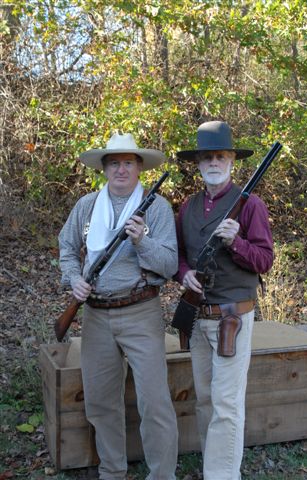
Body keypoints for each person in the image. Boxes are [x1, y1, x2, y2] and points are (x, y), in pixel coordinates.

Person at [58, 132, 178, 480]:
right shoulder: (85, 206)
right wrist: (72, 278)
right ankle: (112, 472)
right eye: (114, 163)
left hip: (140, 311)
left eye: (128, 162)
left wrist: (142, 241)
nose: (121, 169)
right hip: (95, 315)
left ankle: (162, 475)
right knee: (100, 402)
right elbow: (66, 247)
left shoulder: (157, 208)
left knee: (155, 403)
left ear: (139, 168)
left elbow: (169, 265)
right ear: (104, 169)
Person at [175, 121, 273, 480]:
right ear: (199, 163)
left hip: (233, 317)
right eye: (207, 157)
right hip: (198, 319)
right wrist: (183, 273)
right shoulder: (187, 207)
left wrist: (237, 243)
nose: (214, 162)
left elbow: (265, 260)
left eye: (221, 155)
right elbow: (180, 255)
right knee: (205, 401)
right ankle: (213, 468)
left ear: (232, 160)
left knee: (227, 406)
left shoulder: (251, 206)